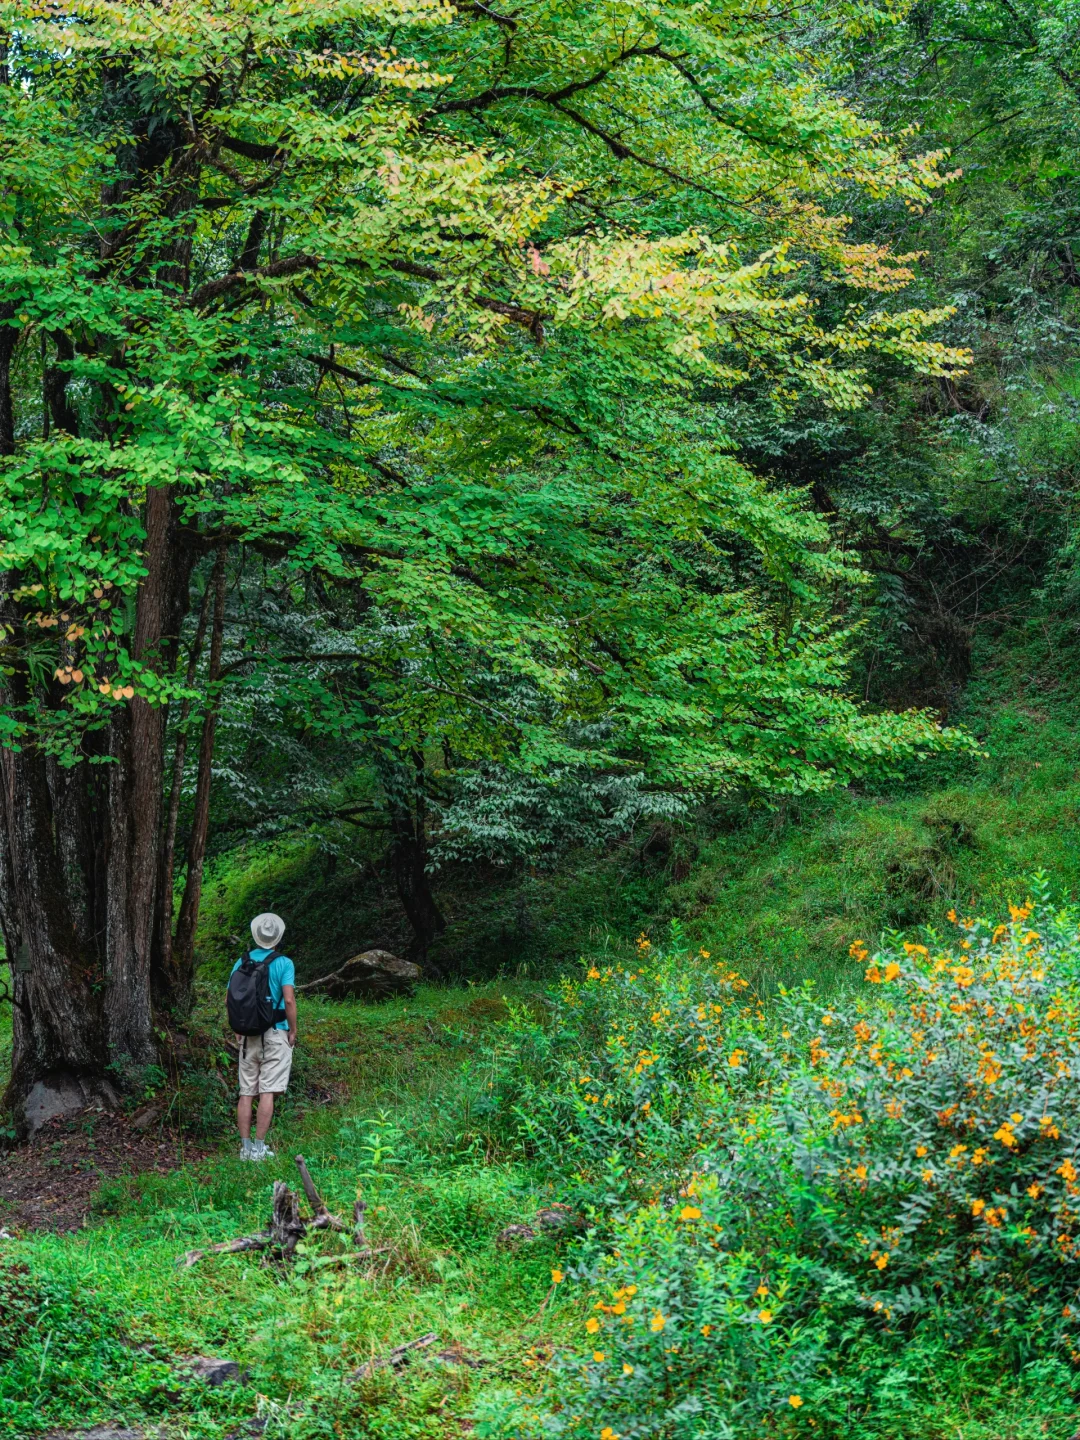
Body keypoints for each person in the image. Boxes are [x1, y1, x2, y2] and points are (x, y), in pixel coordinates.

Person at [231, 912, 298, 1161]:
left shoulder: (242, 961)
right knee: (267, 1090)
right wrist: (292, 1030)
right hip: (275, 1031)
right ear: (277, 938)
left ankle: (245, 1148)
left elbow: (230, 999)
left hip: (248, 1035)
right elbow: (288, 999)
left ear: (256, 934)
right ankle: (259, 1149)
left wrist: (238, 1029)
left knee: (246, 1091)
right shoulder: (284, 963)